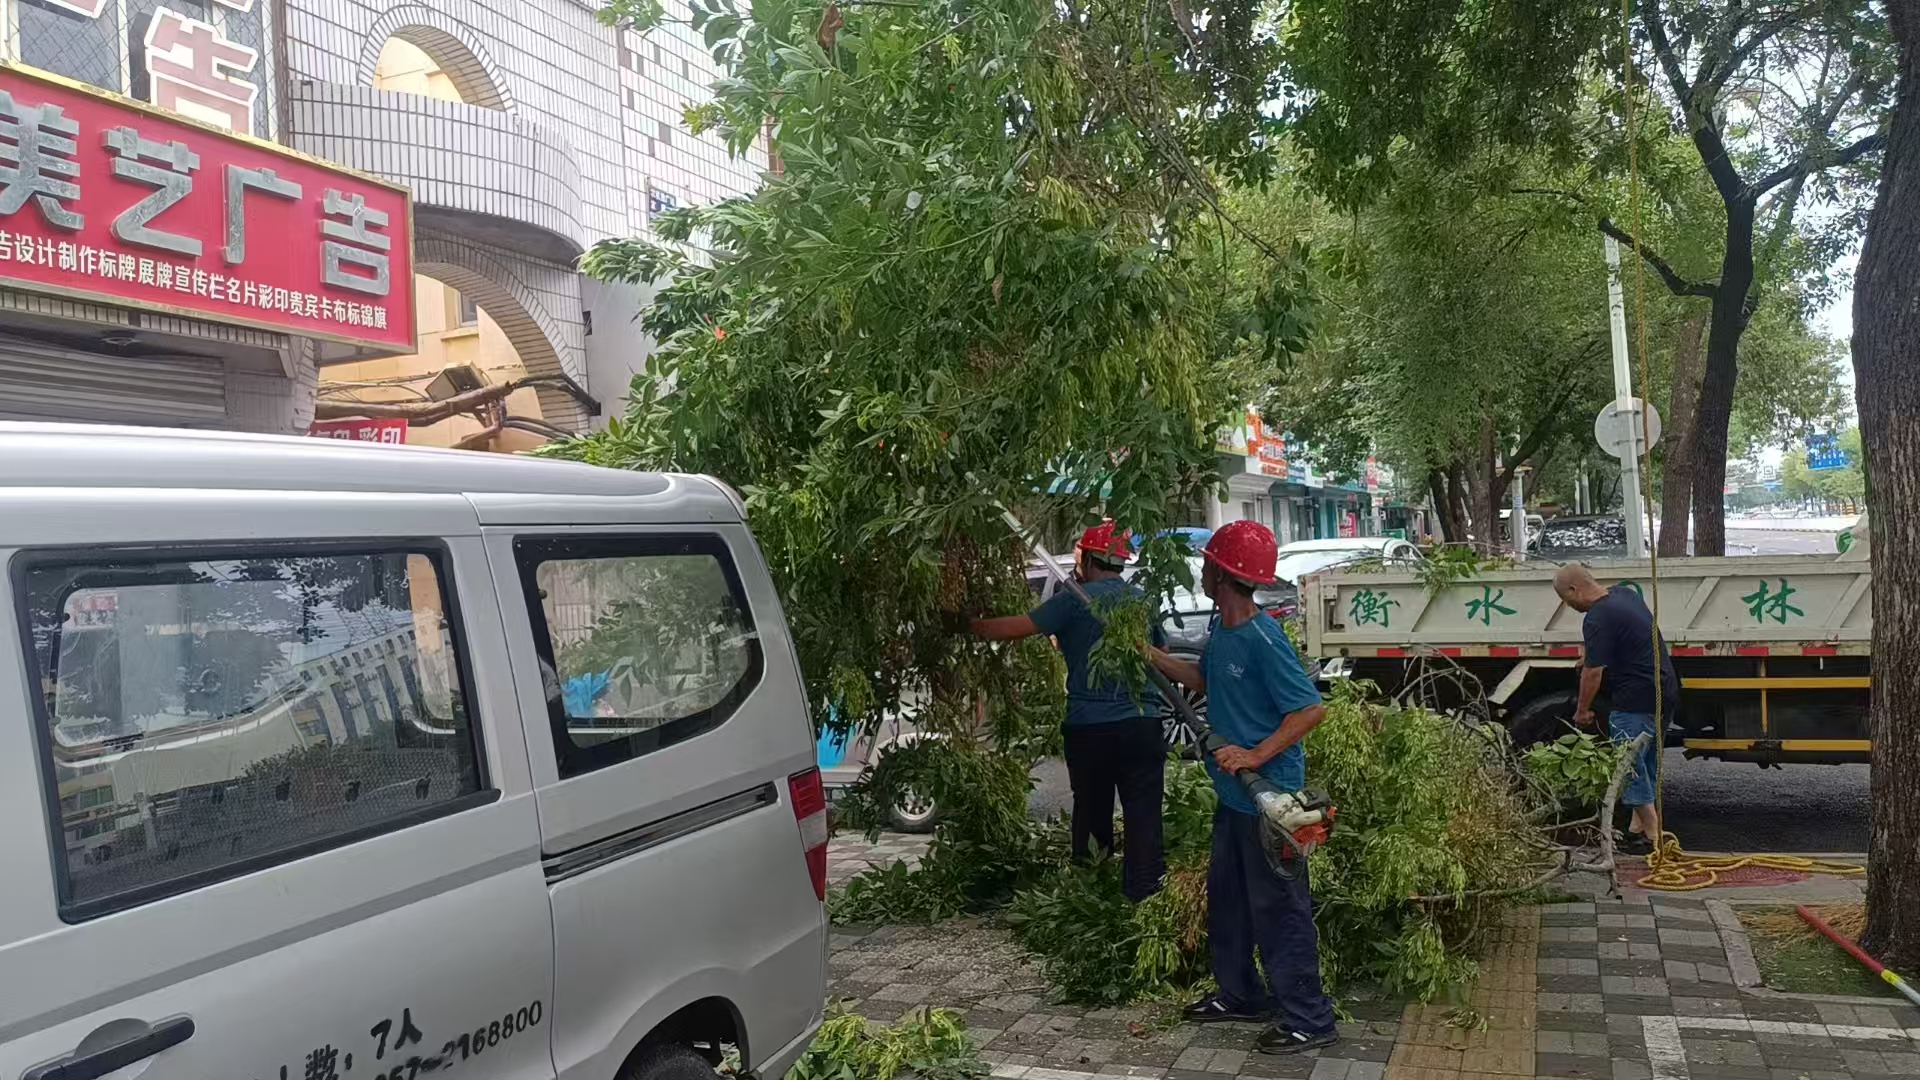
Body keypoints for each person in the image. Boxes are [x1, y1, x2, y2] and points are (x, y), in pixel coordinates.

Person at [1147, 519, 1338, 1056]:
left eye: (1208, 563)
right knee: (1229, 902)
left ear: (1222, 573)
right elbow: (1205, 680)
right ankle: (1240, 994)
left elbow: (1310, 709)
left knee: (1280, 910)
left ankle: (1310, 1019)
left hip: (1270, 803)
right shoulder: (1224, 629)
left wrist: (1255, 754)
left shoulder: (1261, 638)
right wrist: (1151, 655)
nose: (1203, 571)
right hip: (1234, 800)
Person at [972, 521, 1167, 901]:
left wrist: (966, 625)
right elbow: (1162, 656)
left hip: (1091, 728)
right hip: (1143, 724)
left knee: (1092, 814)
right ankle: (1146, 897)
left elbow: (1015, 628)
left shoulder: (1073, 600)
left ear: (1088, 560)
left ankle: (1091, 895)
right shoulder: (1143, 601)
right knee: (1144, 816)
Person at [1552, 564, 1680, 857]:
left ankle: (1655, 835)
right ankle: (1636, 831)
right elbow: (1617, 636)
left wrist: (1582, 710)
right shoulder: (1624, 595)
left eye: (1566, 599)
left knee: (1628, 764)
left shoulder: (1597, 617)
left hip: (1635, 698)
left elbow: (1593, 673)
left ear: (1574, 590)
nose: (1568, 605)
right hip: (1663, 689)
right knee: (1646, 761)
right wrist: (1589, 653)